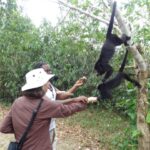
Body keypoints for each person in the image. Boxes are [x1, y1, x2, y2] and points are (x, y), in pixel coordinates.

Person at [0, 68, 91, 150]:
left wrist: (22, 129)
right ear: (41, 85)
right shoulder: (43, 104)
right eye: (47, 82)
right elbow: (66, 110)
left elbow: (3, 127)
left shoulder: (17, 101)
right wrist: (83, 103)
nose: (48, 84)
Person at [34, 61, 87, 150]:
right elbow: (52, 104)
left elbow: (60, 96)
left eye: (50, 70)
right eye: (47, 70)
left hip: (51, 125)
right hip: (41, 128)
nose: (50, 72)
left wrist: (76, 86)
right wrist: (74, 100)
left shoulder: (49, 84)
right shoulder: (38, 88)